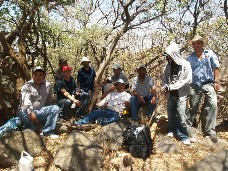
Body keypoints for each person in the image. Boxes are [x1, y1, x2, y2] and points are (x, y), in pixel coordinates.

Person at [187, 35, 220, 143]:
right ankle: (188, 127)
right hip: (195, 84)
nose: (196, 45)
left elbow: (216, 67)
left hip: (208, 83)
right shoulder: (190, 58)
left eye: (199, 43)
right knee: (193, 107)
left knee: (213, 103)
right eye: (194, 43)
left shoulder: (209, 54)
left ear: (202, 44)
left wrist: (216, 81)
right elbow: (187, 72)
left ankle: (210, 130)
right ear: (192, 45)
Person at [162, 42, 192, 145]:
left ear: (174, 53)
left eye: (169, 55)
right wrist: (165, 86)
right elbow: (164, 79)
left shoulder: (185, 64)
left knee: (181, 115)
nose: (168, 57)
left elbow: (187, 80)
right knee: (171, 114)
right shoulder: (168, 66)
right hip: (170, 94)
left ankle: (184, 136)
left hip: (181, 94)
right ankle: (172, 130)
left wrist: (172, 86)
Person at [17, 66, 60, 138]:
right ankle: (32, 129)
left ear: (44, 76)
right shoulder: (27, 86)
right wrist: (30, 112)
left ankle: (48, 131)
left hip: (39, 111)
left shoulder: (48, 85)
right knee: (31, 131)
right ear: (32, 76)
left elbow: (48, 101)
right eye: (36, 75)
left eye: (40, 75)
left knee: (55, 108)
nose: (38, 77)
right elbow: (26, 101)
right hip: (26, 112)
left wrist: (48, 116)